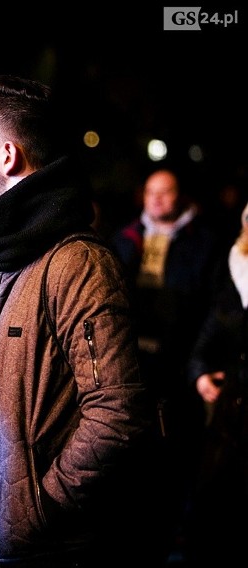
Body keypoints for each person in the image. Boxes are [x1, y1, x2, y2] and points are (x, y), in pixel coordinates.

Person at [0, 75, 167, 567]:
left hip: (35, 551)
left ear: (7, 155)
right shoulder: (7, 259)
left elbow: (118, 413)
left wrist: (37, 511)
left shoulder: (75, 262)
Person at [110, 167, 225, 558]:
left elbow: (213, 308)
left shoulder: (204, 243)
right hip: (132, 364)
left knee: (178, 455)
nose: (157, 199)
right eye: (151, 192)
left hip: (179, 365)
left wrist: (197, 360)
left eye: (166, 192)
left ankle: (176, 534)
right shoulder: (126, 240)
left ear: (181, 196)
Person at [183, 201, 248, 566]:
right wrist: (200, 371)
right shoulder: (236, 268)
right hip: (231, 408)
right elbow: (211, 330)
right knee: (217, 504)